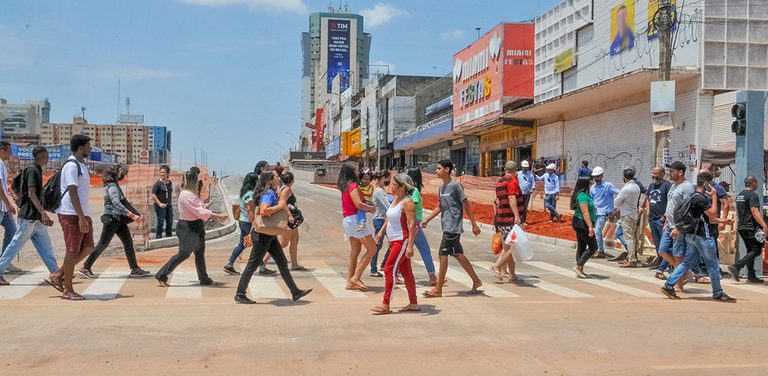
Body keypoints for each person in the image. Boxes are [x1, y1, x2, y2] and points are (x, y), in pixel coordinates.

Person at [234, 170, 312, 304]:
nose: (279, 177)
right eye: (276, 176)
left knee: (282, 263)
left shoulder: (271, 192)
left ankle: (295, 292)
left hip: (269, 235)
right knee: (252, 265)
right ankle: (240, 294)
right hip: (263, 236)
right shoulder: (269, 193)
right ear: (270, 180)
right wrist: (280, 206)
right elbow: (264, 211)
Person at [660, 172, 736, 302]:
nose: (712, 187)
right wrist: (713, 196)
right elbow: (711, 213)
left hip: (693, 235)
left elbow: (708, 219)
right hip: (702, 237)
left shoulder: (693, 197)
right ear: (706, 184)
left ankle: (669, 285)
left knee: (687, 262)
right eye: (711, 184)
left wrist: (721, 221)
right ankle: (718, 292)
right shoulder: (699, 198)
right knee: (712, 265)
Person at [422, 159, 483, 298]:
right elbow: (439, 206)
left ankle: (438, 289)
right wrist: (427, 219)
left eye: (439, 168)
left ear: (447, 170)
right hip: (446, 225)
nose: (436, 171)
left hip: (453, 227)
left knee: (442, 255)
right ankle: (476, 280)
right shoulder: (441, 188)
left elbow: (466, 204)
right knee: (458, 255)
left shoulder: (456, 186)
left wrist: (474, 224)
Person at [156, 171, 228, 287]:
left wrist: (204, 206)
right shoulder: (186, 194)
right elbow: (199, 211)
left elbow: (197, 208)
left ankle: (204, 279)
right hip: (187, 228)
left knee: (199, 254)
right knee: (183, 254)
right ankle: (161, 274)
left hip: (195, 226)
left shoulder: (190, 194)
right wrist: (218, 216)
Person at [0, 147, 58, 285]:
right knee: (15, 245)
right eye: (47, 155)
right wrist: (43, 213)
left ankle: (56, 273)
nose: (48, 158)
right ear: (43, 155)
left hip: (36, 218)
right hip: (29, 216)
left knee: (46, 248)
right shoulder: (32, 170)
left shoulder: (35, 170)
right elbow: (31, 193)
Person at [80, 164, 149, 278]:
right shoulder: (112, 187)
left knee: (128, 243)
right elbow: (116, 203)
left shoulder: (114, 185)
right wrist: (131, 214)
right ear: (114, 174)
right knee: (103, 244)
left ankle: (134, 269)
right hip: (112, 218)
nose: (123, 175)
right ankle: (85, 267)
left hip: (118, 219)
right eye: (121, 172)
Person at [48, 135, 94, 300]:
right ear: (80, 148)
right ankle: (68, 290)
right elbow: (72, 191)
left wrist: (84, 216)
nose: (90, 149)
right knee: (72, 251)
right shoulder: (71, 166)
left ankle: (59, 273)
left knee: (89, 246)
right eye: (88, 146)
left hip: (82, 213)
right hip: (71, 214)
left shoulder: (81, 165)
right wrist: (81, 217)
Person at [372, 173, 420, 314]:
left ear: (402, 186)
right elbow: (389, 218)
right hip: (394, 241)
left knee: (389, 269)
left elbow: (412, 225)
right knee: (406, 272)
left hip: (402, 240)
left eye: (394, 184)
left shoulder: (408, 202)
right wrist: (381, 232)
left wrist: (410, 245)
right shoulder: (396, 200)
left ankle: (386, 303)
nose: (390, 186)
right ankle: (413, 302)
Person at [337, 162, 378, 291]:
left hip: (348, 220)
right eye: (356, 169)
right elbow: (359, 204)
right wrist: (370, 209)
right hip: (355, 221)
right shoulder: (353, 186)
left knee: (355, 251)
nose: (357, 171)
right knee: (372, 249)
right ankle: (355, 278)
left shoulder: (345, 186)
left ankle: (351, 281)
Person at [658, 161, 696, 291]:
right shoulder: (673, 186)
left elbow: (688, 209)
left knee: (678, 255)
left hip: (679, 226)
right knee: (662, 250)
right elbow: (671, 204)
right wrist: (666, 220)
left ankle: (679, 284)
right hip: (670, 225)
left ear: (680, 172)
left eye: (672, 171)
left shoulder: (687, 187)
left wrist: (679, 227)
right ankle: (685, 272)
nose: (669, 174)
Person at [729, 175, 768, 284]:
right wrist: (764, 225)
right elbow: (754, 211)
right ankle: (737, 267)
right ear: (753, 183)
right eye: (757, 183)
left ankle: (751, 276)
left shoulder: (740, 195)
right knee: (756, 250)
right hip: (750, 227)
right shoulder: (752, 195)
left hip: (742, 226)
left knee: (750, 250)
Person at [490, 161, 523, 283]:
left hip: (501, 218)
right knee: (515, 246)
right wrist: (517, 216)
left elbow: (496, 201)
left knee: (507, 246)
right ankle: (497, 266)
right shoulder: (512, 182)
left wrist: (497, 215)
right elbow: (511, 198)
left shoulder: (500, 182)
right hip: (510, 218)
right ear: (515, 171)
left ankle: (511, 274)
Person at [406, 167, 437, 285]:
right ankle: (432, 275)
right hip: (414, 223)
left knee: (404, 248)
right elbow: (412, 205)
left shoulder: (409, 190)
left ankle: (396, 273)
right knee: (425, 250)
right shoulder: (414, 191)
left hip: (412, 222)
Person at [223, 172, 258, 275]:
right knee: (259, 244)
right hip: (248, 222)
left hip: (242, 221)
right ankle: (261, 266)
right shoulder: (250, 194)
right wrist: (254, 224)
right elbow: (250, 211)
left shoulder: (244, 193)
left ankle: (229, 264)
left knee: (242, 244)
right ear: (254, 182)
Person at [644, 166, 672, 279]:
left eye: (656, 173)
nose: (654, 175)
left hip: (662, 220)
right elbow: (647, 198)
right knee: (657, 242)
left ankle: (669, 264)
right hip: (652, 219)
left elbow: (671, 202)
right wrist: (647, 211)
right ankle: (660, 262)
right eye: (653, 173)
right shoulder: (651, 186)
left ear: (662, 174)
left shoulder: (667, 185)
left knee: (665, 244)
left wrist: (665, 216)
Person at [589, 166, 620, 259]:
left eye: (598, 176)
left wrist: (615, 207)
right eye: (595, 177)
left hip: (604, 212)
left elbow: (620, 193)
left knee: (597, 231)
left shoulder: (608, 185)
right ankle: (597, 249)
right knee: (596, 231)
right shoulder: (593, 188)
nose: (596, 179)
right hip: (596, 212)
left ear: (602, 176)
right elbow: (591, 198)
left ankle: (600, 250)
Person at [278, 172, 306, 271]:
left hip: (292, 220)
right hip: (288, 219)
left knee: (294, 240)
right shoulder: (286, 189)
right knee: (283, 243)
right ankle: (263, 261)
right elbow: (282, 203)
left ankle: (294, 264)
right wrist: (290, 215)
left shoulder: (283, 188)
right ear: (292, 180)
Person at [0, 141, 21, 274]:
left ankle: (4, 261)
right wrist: (8, 204)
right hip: (1, 206)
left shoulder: (3, 165)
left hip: (3, 207)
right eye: (9, 151)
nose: (11, 154)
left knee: (12, 230)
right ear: (2, 151)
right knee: (12, 230)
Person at [571, 177, 597, 278]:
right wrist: (590, 227)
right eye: (590, 182)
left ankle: (580, 269)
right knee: (593, 246)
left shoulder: (585, 195)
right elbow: (584, 212)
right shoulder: (582, 196)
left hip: (580, 223)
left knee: (582, 246)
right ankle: (579, 265)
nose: (591, 183)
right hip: (582, 223)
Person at [615, 168, 642, 268]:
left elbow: (617, 201)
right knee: (632, 237)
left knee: (629, 238)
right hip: (633, 214)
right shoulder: (636, 187)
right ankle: (630, 257)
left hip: (626, 215)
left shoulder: (626, 188)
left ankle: (632, 259)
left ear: (624, 177)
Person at [369, 171, 391, 277]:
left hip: (383, 219)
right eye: (387, 179)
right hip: (380, 220)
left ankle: (384, 265)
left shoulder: (381, 190)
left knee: (392, 243)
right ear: (383, 178)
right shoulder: (378, 191)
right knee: (377, 244)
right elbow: (387, 206)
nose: (388, 181)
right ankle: (374, 268)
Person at [151, 165, 173, 239]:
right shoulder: (157, 183)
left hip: (169, 206)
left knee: (169, 222)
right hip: (160, 207)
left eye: (164, 172)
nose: (162, 174)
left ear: (168, 174)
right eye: (161, 172)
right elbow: (153, 195)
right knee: (160, 223)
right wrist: (160, 204)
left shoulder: (170, 183)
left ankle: (169, 237)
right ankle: (158, 238)